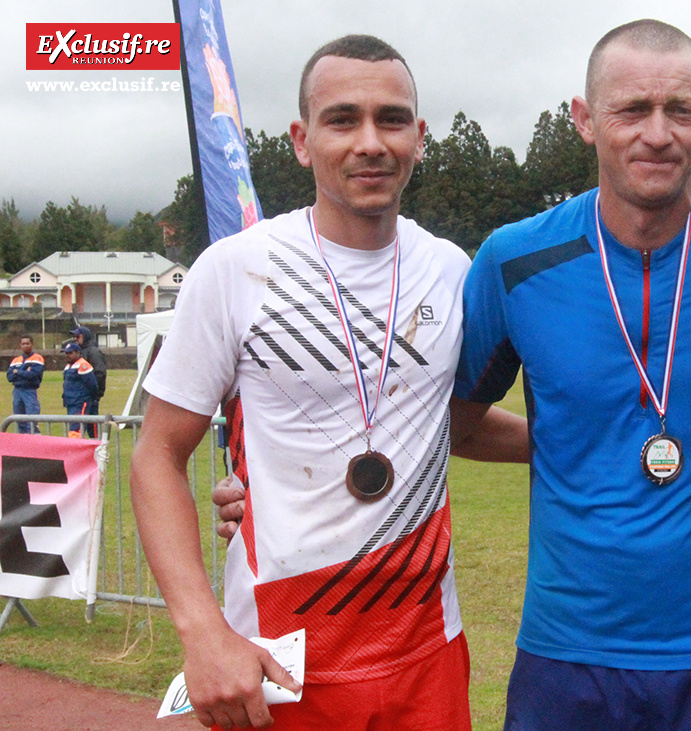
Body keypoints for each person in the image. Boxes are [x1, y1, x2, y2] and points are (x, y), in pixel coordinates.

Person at [131, 35, 525, 731]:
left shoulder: (452, 271)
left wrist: (568, 439)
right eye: (342, 119)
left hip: (426, 650)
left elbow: (451, 423)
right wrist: (201, 631)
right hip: (281, 657)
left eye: (392, 119)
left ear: (420, 138)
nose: (369, 142)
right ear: (302, 140)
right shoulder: (233, 270)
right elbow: (157, 453)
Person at [453, 19, 691, 731]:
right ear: (585, 120)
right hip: (568, 655)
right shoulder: (514, 262)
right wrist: (568, 446)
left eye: (680, 110)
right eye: (631, 109)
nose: (658, 133)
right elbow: (450, 427)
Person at [69, 326, 106, 438]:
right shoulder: (77, 352)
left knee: (93, 428)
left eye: (78, 336)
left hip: (91, 396)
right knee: (79, 427)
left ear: (85, 337)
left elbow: (100, 374)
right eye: (74, 336)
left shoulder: (94, 352)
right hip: (79, 397)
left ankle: (97, 450)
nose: (75, 339)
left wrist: (95, 393)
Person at [8, 335, 44, 434]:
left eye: (27, 343)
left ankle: (36, 442)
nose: (25, 346)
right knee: (20, 421)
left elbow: (33, 375)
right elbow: (9, 377)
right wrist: (25, 371)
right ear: (20, 345)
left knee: (32, 421)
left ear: (32, 344)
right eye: (23, 344)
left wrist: (18, 372)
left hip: (30, 391)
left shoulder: (37, 358)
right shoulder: (16, 360)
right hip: (17, 391)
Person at [60, 342, 96, 439]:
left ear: (78, 353)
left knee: (77, 429)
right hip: (70, 402)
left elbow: (92, 385)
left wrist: (86, 399)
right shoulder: (68, 366)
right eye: (66, 353)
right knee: (73, 428)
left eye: (70, 353)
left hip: (80, 402)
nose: (67, 355)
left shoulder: (83, 365)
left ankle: (76, 451)